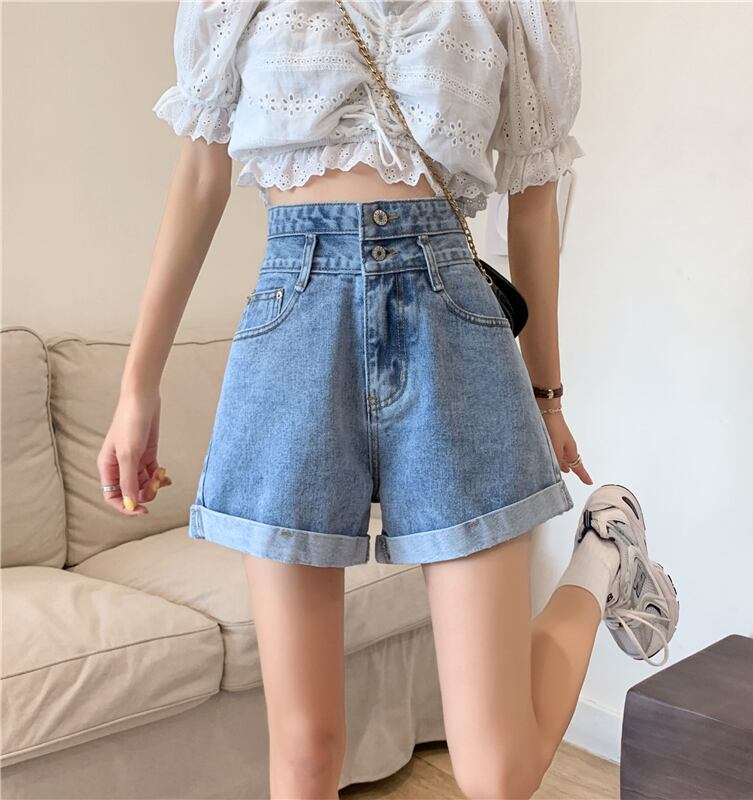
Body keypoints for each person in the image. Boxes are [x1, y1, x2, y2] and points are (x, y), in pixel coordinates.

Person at [97, 1, 679, 797]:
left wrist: (548, 397)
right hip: (295, 322)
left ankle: (604, 549)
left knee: (497, 772)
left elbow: (534, 196)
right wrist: (138, 386)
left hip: (452, 321)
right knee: (305, 751)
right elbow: (201, 173)